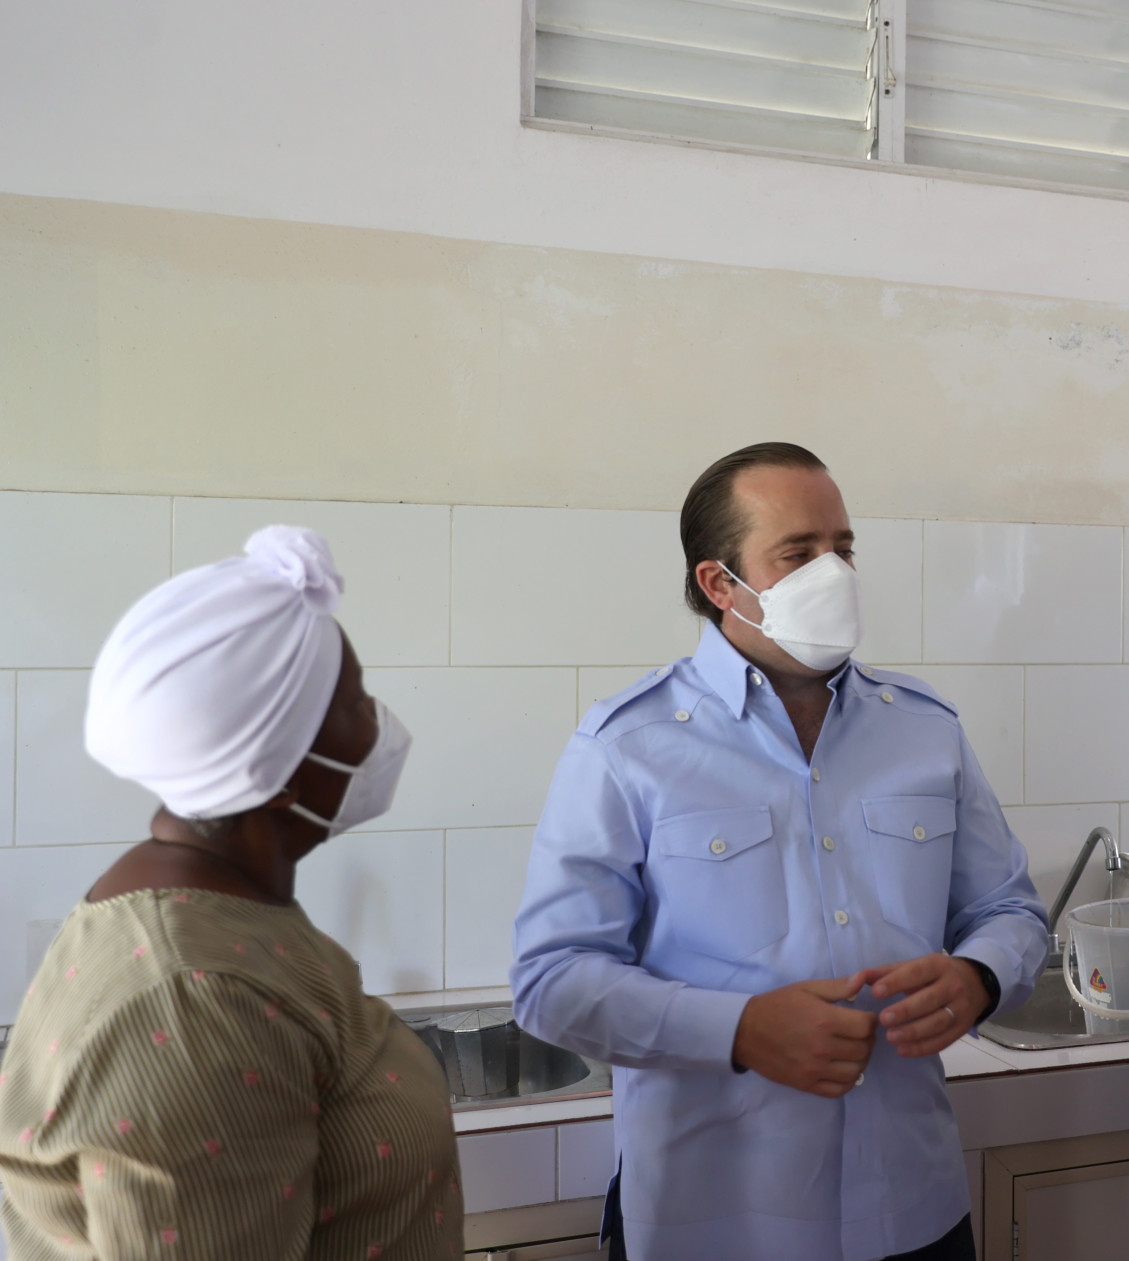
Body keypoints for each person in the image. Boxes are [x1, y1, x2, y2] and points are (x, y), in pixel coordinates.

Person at [510, 443, 1049, 1261]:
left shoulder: (923, 728)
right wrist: (741, 1029)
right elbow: (552, 979)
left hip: (913, 1209)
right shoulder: (628, 745)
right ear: (720, 583)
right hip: (715, 1223)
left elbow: (1009, 908)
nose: (834, 573)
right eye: (799, 554)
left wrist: (980, 975)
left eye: (843, 548)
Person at [0, 526, 462, 1260]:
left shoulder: (225, 917)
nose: (378, 724)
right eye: (353, 703)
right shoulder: (193, 999)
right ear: (277, 772)